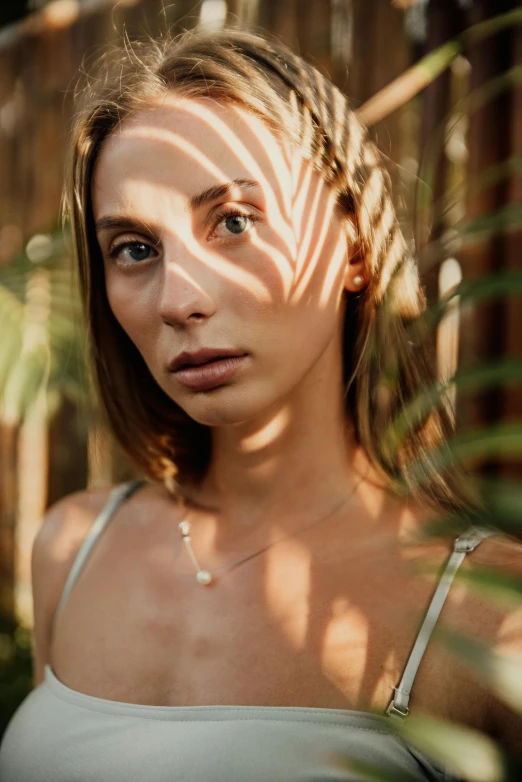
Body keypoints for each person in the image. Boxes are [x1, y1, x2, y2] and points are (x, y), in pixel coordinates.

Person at [1, 26, 521, 782]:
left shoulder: (484, 613)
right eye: (135, 249)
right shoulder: (72, 550)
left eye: (235, 222)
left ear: (350, 244)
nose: (180, 300)